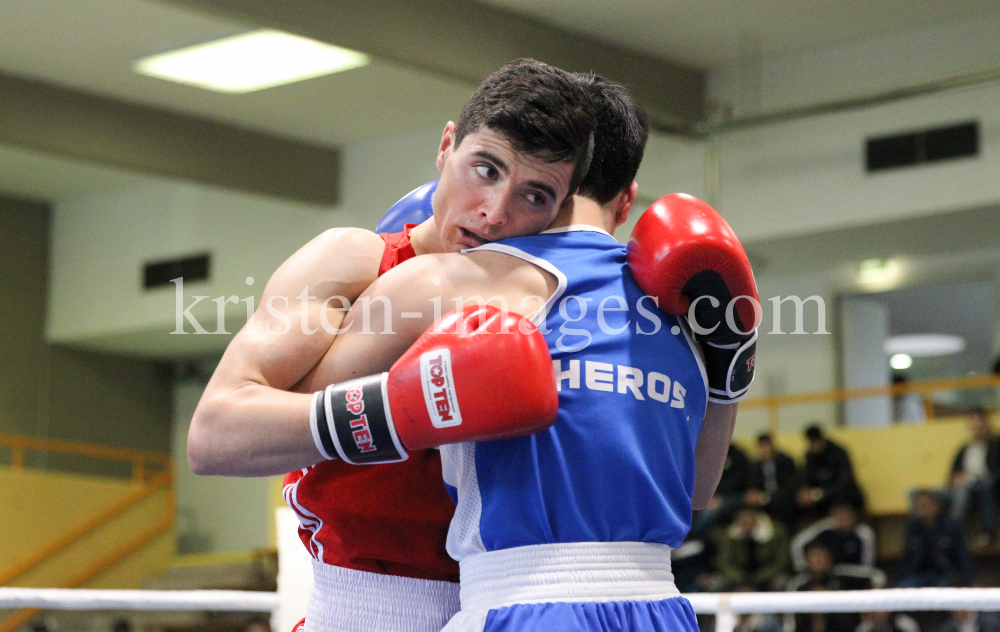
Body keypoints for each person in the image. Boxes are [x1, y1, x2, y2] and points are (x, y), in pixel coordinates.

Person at [188, 59, 597, 632]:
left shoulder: (567, 306)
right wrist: (398, 412)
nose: (495, 211)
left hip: (517, 612)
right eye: (485, 168)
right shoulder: (356, 264)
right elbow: (213, 436)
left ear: (563, 209)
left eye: (534, 195)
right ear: (446, 145)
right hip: (361, 609)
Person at [304, 169, 759, 630]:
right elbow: (699, 493)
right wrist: (408, 407)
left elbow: (696, 490)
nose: (487, 218)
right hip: (648, 609)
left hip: (515, 596)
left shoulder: (465, 281)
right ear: (627, 202)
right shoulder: (672, 308)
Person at [786, 541, 883, 632]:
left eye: (821, 555)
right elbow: (789, 624)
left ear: (829, 558)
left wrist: (871, 600)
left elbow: (877, 576)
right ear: (807, 560)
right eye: (814, 556)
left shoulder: (844, 576)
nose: (818, 560)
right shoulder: (797, 585)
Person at [895, 489, 974, 588]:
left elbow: (961, 554)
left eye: (926, 505)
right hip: (918, 574)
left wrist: (969, 579)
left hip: (944, 575)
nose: (923, 509)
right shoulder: (913, 528)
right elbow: (907, 558)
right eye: (920, 506)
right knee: (904, 588)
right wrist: (898, 581)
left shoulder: (951, 527)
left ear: (936, 505)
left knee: (944, 590)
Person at [946, 409, 1000, 547]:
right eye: (974, 426)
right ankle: (953, 535)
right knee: (917, 493)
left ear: (987, 425)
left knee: (982, 484)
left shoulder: (995, 445)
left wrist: (975, 478)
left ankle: (987, 533)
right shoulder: (964, 449)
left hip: (986, 485)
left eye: (980, 426)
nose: (977, 429)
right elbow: (952, 475)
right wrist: (956, 479)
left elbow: (995, 472)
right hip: (964, 487)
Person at [716, 504, 790, 591]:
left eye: (748, 517)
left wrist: (758, 579)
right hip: (739, 577)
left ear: (756, 518)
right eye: (741, 517)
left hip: (768, 575)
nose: (744, 520)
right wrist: (741, 579)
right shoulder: (730, 535)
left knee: (781, 582)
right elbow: (725, 562)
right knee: (716, 583)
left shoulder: (776, 534)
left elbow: (781, 562)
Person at [798, 425, 865, 519]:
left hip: (842, 495)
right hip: (821, 499)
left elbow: (845, 481)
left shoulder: (839, 453)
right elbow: (806, 477)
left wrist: (822, 493)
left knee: (843, 502)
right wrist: (806, 491)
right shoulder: (810, 456)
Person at [791, 502, 876, 573]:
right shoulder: (825, 529)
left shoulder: (863, 533)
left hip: (856, 575)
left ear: (854, 514)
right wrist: (802, 569)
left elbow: (867, 565)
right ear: (833, 515)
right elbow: (798, 542)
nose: (843, 518)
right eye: (839, 514)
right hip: (828, 575)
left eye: (846, 514)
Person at [746, 432, 798, 529]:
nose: (764, 449)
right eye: (761, 447)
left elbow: (789, 486)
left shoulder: (785, 462)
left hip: (782, 498)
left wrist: (767, 498)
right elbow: (752, 484)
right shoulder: (756, 466)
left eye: (766, 446)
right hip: (762, 500)